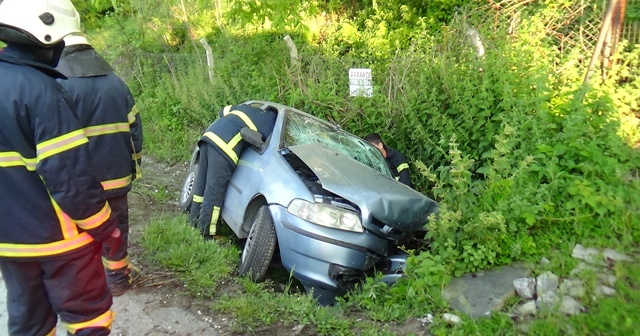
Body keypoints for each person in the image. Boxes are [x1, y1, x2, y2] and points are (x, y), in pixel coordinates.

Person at [0, 0, 122, 335]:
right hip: (62, 241)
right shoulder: (40, 91)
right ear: (46, 37)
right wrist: (103, 226)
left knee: (30, 320)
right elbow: (68, 177)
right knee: (89, 317)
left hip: (8, 242)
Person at [56, 33, 144, 296]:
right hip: (116, 177)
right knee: (116, 228)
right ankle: (117, 279)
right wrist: (133, 166)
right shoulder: (117, 84)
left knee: (77, 227)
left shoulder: (55, 85)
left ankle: (81, 282)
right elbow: (135, 132)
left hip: (77, 181)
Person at [189, 104, 277, 239]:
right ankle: (206, 233)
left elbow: (222, 110)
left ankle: (193, 221)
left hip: (208, 137)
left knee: (201, 185)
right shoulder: (270, 123)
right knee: (214, 192)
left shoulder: (247, 108)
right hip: (224, 147)